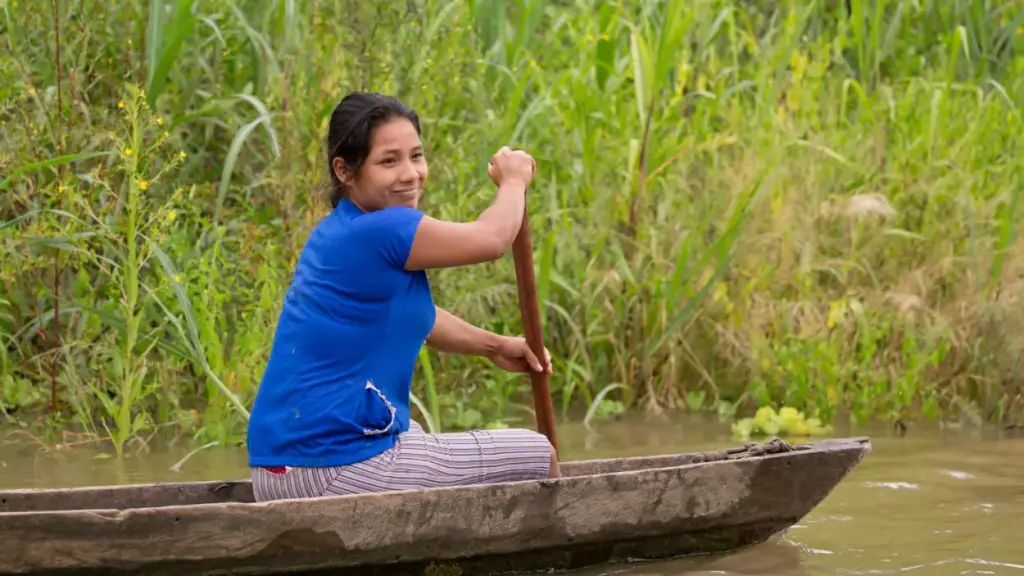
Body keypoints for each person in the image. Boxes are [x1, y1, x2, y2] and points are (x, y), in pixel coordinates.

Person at [246, 92, 560, 502]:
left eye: (416, 156)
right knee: (539, 453)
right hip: (330, 466)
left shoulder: (338, 231)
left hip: (281, 469)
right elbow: (492, 240)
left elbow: (415, 315)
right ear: (344, 170)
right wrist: (515, 180)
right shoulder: (385, 229)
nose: (410, 174)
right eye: (389, 161)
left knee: (410, 432)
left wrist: (494, 345)